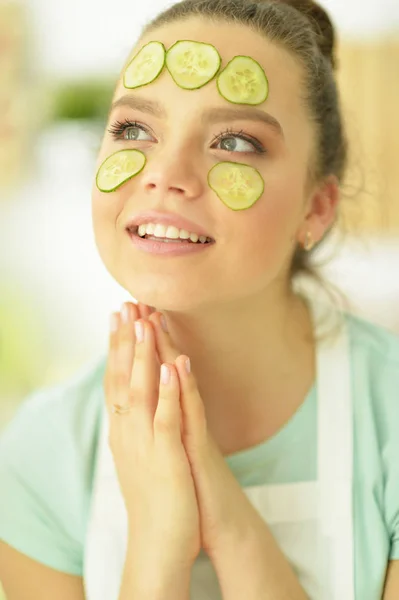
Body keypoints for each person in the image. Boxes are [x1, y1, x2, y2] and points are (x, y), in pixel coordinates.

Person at [1, 0, 399, 598]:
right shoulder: (40, 455)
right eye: (134, 129)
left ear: (316, 207)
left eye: (235, 141)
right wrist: (158, 541)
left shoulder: (387, 414)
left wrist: (225, 515)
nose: (165, 172)